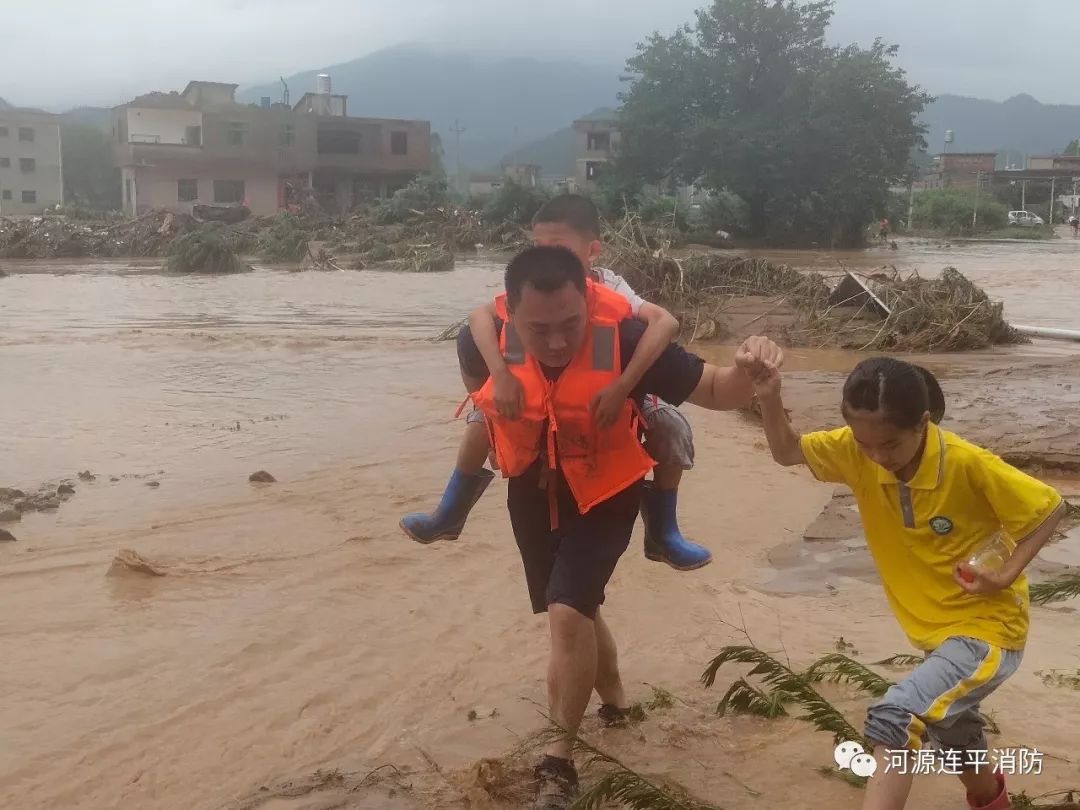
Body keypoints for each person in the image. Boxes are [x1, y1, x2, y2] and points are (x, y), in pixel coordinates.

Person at [452, 245, 783, 809]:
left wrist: (751, 369)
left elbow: (716, 391)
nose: (557, 342)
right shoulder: (481, 344)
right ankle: (618, 706)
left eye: (570, 325)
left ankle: (559, 761)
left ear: (590, 300)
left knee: (566, 611)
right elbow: (486, 408)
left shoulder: (626, 338)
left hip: (608, 490)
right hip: (531, 491)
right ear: (512, 313)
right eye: (540, 329)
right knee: (578, 609)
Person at [751, 357, 1065, 810]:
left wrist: (1007, 573)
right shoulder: (855, 452)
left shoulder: (967, 463)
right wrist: (769, 394)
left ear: (924, 422)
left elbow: (1050, 507)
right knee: (960, 743)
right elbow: (786, 452)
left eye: (891, 444)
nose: (877, 456)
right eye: (865, 443)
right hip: (933, 636)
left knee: (897, 716)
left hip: (987, 631)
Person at [400, 195, 713, 571]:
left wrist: (623, 386)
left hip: (617, 393)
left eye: (558, 247)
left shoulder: (613, 289)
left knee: (671, 427)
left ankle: (664, 531)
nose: (546, 256)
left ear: (592, 250)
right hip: (536, 394)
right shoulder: (528, 288)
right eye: (539, 247)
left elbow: (665, 323)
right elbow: (477, 319)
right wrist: (499, 377)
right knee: (480, 421)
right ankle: (449, 513)